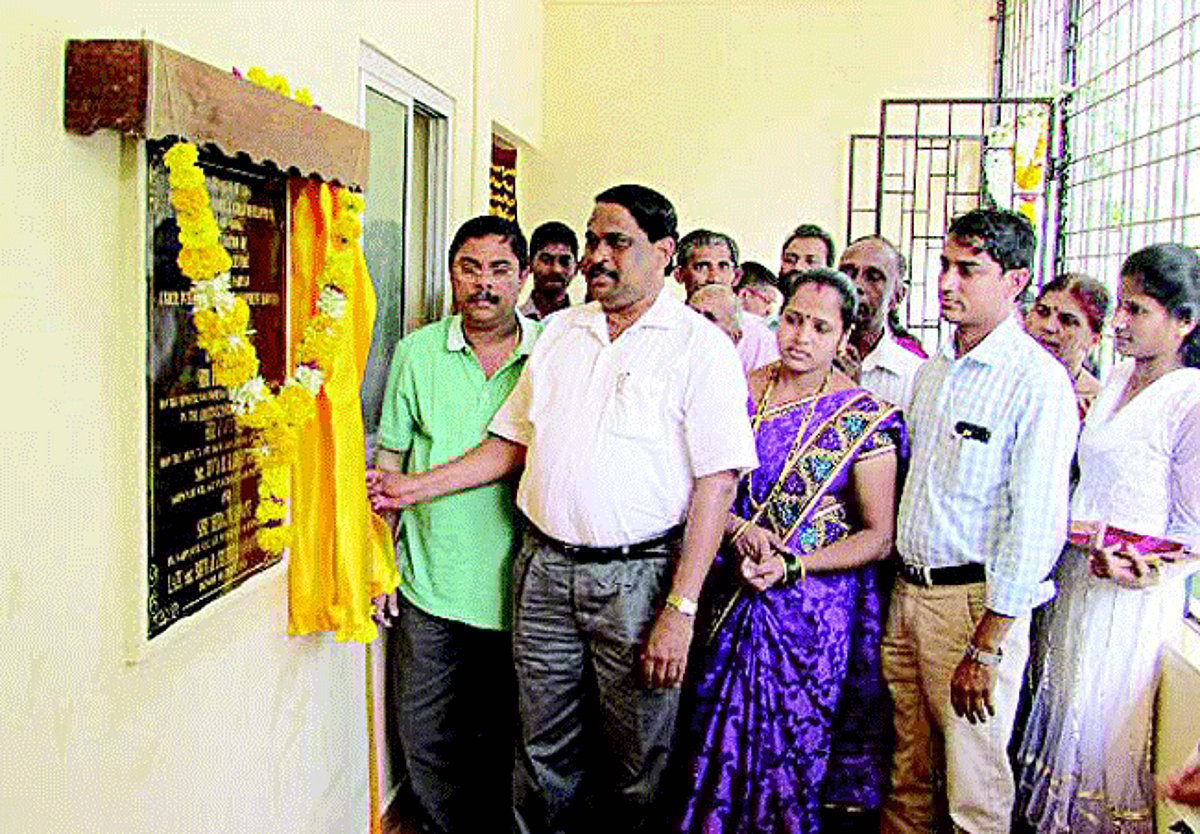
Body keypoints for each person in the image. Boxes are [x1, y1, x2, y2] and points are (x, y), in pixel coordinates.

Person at [368, 184, 758, 834]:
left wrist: (680, 609)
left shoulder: (698, 347)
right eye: (592, 239)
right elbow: (507, 445)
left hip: (637, 581)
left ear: (664, 254)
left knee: (635, 756)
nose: (596, 256)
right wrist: (410, 489)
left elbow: (716, 486)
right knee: (540, 747)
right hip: (542, 571)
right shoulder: (559, 335)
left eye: (617, 242)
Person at [675, 268, 906, 834]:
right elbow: (687, 487)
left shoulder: (862, 419)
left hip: (808, 612)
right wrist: (732, 529)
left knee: (791, 747)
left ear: (844, 337)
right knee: (706, 733)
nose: (801, 336)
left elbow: (879, 535)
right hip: (724, 590)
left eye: (820, 327)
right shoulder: (736, 389)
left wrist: (793, 564)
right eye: (794, 320)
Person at [881, 208, 1079, 834]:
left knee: (974, 788)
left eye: (968, 270)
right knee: (905, 771)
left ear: (1015, 282)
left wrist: (987, 646)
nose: (947, 282)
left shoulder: (1035, 383)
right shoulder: (934, 370)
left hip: (974, 608)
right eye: (944, 266)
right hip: (908, 593)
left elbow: (1037, 524)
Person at [1015, 243, 1200, 834]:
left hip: (1132, 597)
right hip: (1079, 576)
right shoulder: (1116, 377)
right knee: (1063, 713)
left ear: (1184, 322)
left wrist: (1141, 567)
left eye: (1137, 310)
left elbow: (1192, 527)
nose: (1118, 322)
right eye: (1119, 306)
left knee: (1101, 734)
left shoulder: (1190, 397)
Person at [371, 215, 540, 834]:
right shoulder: (417, 353)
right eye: (470, 268)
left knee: (509, 738)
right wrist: (381, 566)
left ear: (522, 278)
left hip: (521, 589)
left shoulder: (549, 351)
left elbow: (522, 451)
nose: (484, 285)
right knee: (428, 738)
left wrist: (408, 489)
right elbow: (389, 465)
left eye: (500, 270)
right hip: (429, 581)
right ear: (451, 274)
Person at [837, 235, 925, 409]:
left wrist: (853, 396)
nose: (856, 285)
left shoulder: (915, 377)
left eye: (873, 277)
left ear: (897, 296)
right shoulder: (803, 356)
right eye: (848, 273)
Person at [675, 228, 779, 373]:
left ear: (736, 276)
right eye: (701, 267)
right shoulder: (665, 324)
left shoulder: (759, 338)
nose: (714, 278)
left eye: (723, 267)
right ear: (679, 275)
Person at [1023, 272, 1110, 417]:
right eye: (1042, 312)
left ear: (1093, 340)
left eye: (1067, 321)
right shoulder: (1001, 377)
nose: (1049, 327)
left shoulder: (1097, 408)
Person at [520, 220, 578, 320]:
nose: (556, 269)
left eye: (564, 261)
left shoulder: (585, 325)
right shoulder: (512, 323)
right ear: (530, 264)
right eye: (546, 260)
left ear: (576, 268)